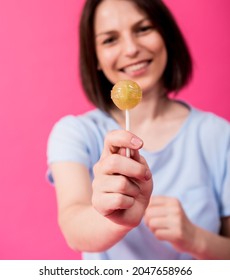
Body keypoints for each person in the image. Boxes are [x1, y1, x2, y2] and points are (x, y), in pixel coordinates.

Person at [47, 0, 230, 260]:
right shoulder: (75, 133)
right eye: (110, 40)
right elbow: (73, 226)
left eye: (143, 29)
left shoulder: (219, 135)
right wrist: (115, 219)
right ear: (95, 57)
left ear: (165, 34)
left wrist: (195, 238)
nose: (131, 49)